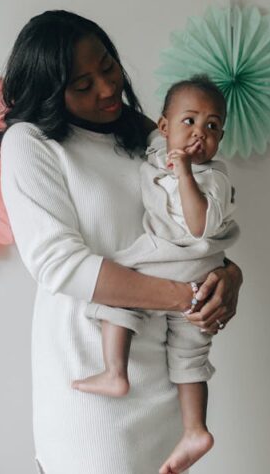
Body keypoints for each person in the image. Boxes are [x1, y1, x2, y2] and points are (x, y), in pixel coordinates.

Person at [0, 11, 243, 474]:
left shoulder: (148, 135)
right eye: (82, 84)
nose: (108, 90)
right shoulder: (31, 143)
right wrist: (187, 297)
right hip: (90, 380)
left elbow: (188, 229)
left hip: (166, 376)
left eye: (108, 68)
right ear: (49, 89)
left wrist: (230, 276)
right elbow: (59, 264)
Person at [72, 76, 237, 473]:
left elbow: (198, 226)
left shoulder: (211, 177)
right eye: (190, 122)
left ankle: (115, 371)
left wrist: (184, 174)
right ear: (164, 128)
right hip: (195, 271)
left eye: (212, 127)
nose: (200, 134)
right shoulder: (158, 146)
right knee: (190, 348)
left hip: (183, 257)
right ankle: (195, 430)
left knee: (118, 282)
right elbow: (140, 122)